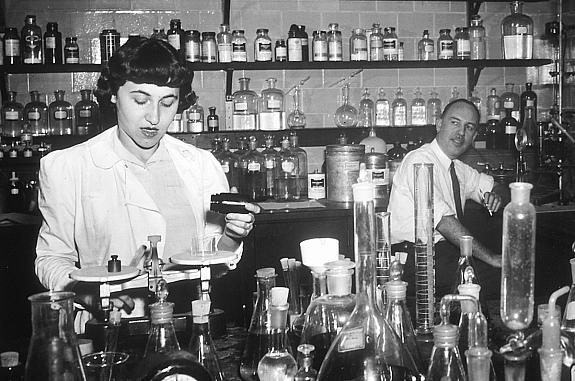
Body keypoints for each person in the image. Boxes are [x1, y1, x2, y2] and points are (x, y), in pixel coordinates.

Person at [35, 37, 259, 325]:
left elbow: (216, 264)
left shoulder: (201, 164)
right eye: (140, 100)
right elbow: (50, 259)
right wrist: (86, 293)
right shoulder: (67, 166)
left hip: (191, 318)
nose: (154, 117)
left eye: (168, 103)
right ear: (114, 94)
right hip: (105, 322)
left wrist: (231, 236)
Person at [387, 99, 505, 301]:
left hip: (446, 257)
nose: (461, 133)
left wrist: (497, 195)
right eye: (455, 122)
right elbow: (444, 222)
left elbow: (496, 186)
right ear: (439, 124)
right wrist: (492, 259)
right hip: (415, 262)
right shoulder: (420, 161)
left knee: (507, 274)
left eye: (469, 127)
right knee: (502, 277)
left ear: (474, 136)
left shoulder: (458, 169)